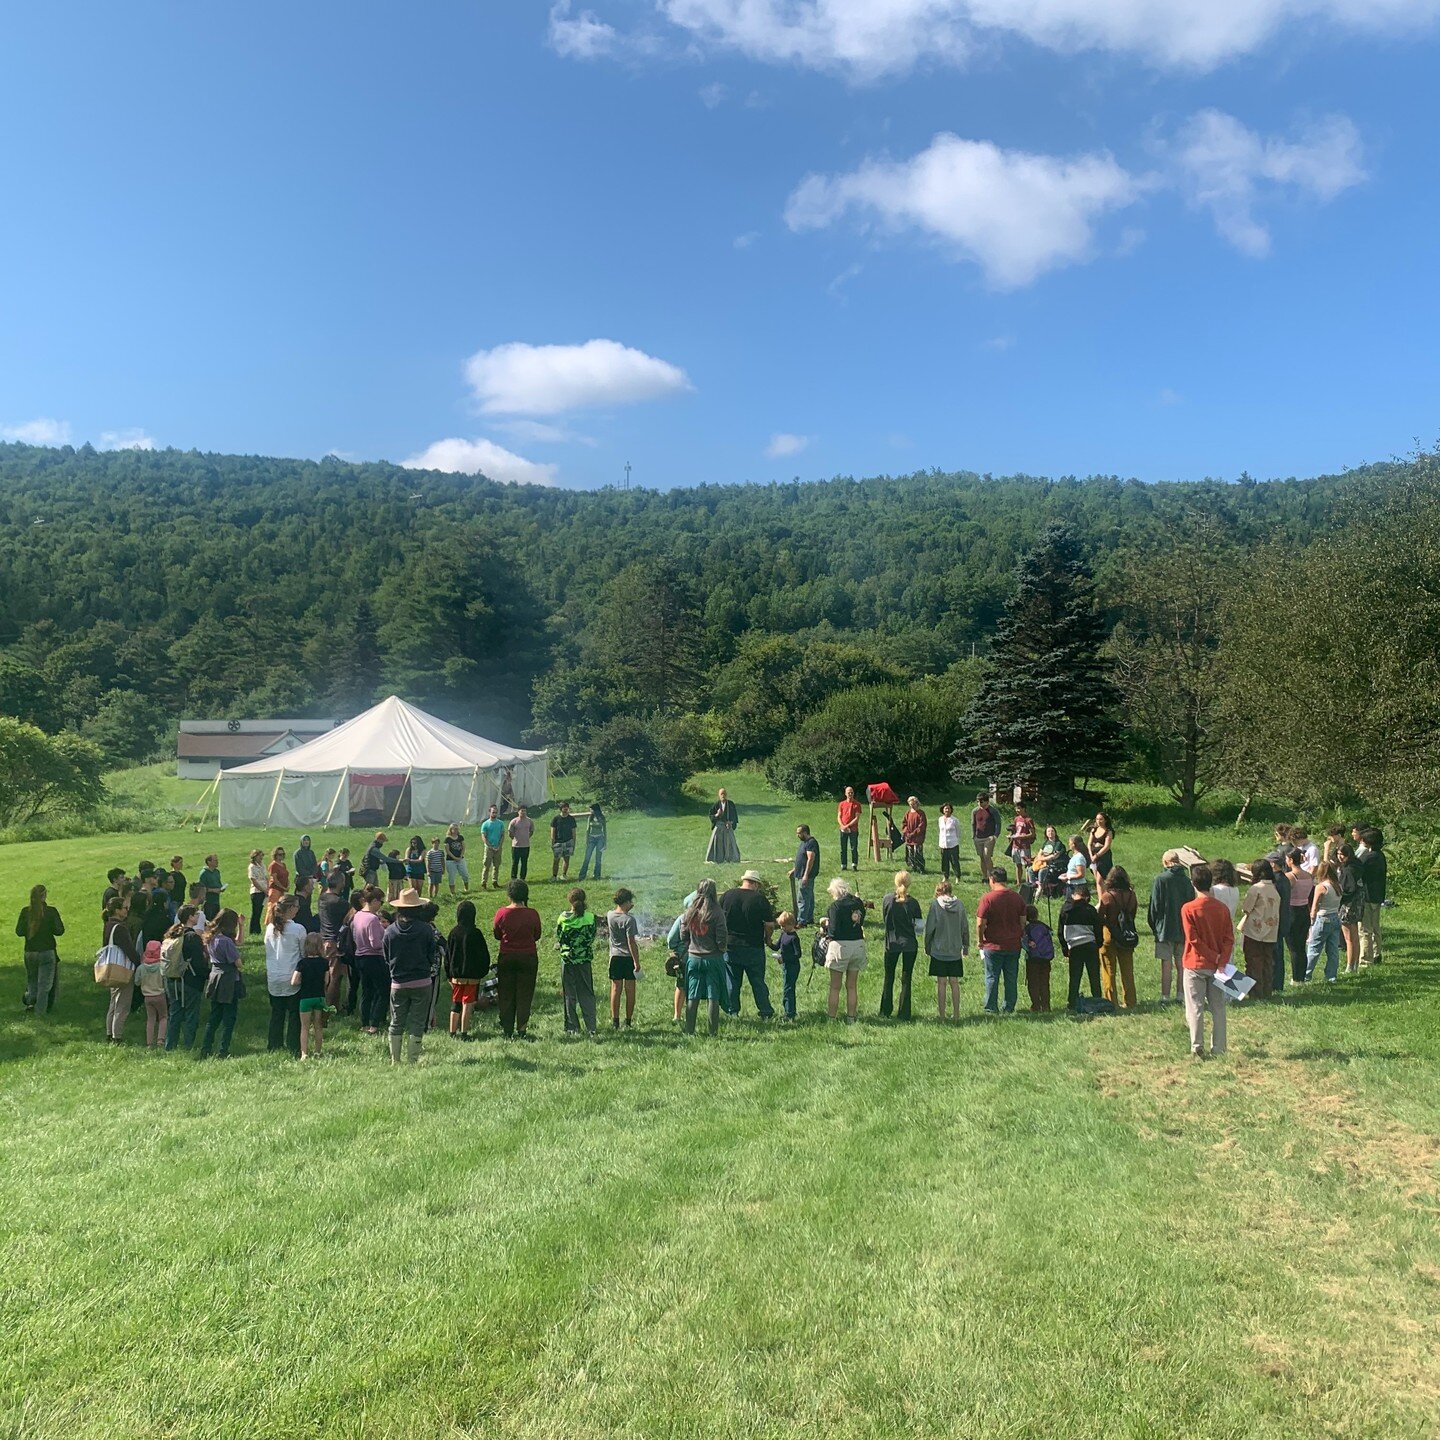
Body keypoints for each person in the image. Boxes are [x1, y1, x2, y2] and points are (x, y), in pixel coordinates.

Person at [383, 888, 442, 1064]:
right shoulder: (425, 929)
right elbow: (431, 954)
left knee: (396, 1021)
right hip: (422, 981)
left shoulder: (390, 931)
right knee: (417, 1022)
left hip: (398, 981)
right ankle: (412, 1059)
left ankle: (395, 1059)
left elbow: (386, 956)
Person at [1181, 864, 1232, 1058]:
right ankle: (1219, 1048)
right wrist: (1221, 959)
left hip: (1195, 963)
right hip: (1218, 966)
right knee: (1218, 1008)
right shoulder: (1222, 908)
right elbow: (1229, 938)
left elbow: (1193, 939)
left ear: (1193, 883)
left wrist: (1213, 956)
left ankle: (1197, 1046)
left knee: (1195, 1007)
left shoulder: (1188, 908)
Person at [716, 870, 775, 1020]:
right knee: (758, 982)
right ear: (755, 884)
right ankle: (765, 1011)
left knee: (732, 982)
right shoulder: (760, 899)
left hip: (731, 946)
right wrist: (768, 939)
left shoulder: (727, 896)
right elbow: (769, 924)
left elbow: (718, 919)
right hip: (753, 946)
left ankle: (732, 1011)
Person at [492, 879, 543, 1040]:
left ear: (509, 895)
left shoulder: (502, 913)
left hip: (507, 956)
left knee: (506, 992)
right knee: (525, 993)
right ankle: (522, 1028)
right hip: (528, 956)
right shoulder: (532, 913)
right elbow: (537, 935)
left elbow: (497, 934)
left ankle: (507, 1028)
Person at [680, 879, 729, 1036]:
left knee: (692, 995)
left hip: (693, 958)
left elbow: (683, 934)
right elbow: (722, 937)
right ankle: (712, 1032)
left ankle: (689, 1030)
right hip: (713, 958)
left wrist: (690, 945)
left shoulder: (690, 911)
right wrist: (721, 949)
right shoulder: (717, 912)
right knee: (712, 996)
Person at [1147, 850, 1195, 1006]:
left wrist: (1154, 926)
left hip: (1165, 928)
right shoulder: (1187, 881)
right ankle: (1181, 995)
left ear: (1166, 862)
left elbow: (1155, 906)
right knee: (1181, 964)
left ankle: (1165, 996)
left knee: (1166, 963)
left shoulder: (1160, 879)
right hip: (1183, 928)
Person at [976, 870, 1026, 1015]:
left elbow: (980, 924)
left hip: (993, 945)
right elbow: (1023, 921)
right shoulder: (1017, 898)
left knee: (992, 977)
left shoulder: (988, 898)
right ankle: (1009, 1007)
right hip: (1013, 944)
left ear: (992, 879)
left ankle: (991, 1008)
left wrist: (980, 941)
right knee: (1011, 978)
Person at [554, 888, 600, 1037]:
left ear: (569, 900)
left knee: (569, 993)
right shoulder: (590, 918)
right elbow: (591, 937)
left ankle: (572, 1027)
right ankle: (591, 1027)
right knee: (586, 992)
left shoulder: (563, 918)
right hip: (584, 959)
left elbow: (560, 938)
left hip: (567, 960)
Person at [200, 909, 244, 1059]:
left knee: (214, 1017)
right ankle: (223, 1050)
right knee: (229, 1017)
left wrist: (242, 927)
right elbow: (238, 963)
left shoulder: (212, 938)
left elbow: (239, 941)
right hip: (228, 979)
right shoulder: (226, 942)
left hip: (215, 977)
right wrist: (240, 961)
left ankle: (205, 1048)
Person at [263, 895, 304, 1056]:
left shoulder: (269, 928)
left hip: (274, 975)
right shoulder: (298, 929)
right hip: (292, 975)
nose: (298, 909)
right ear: (291, 908)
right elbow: (303, 952)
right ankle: (293, 1046)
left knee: (277, 1012)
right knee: (294, 1014)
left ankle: (274, 1044)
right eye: (296, 906)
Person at [163, 905, 208, 1051]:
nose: (198, 916)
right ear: (190, 917)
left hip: (172, 979)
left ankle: (170, 1045)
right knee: (191, 1015)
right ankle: (189, 1046)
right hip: (190, 981)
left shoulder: (173, 932)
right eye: (196, 914)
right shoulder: (192, 937)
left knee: (174, 1014)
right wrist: (207, 975)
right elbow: (199, 962)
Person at [879, 870, 923, 1020]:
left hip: (891, 942)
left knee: (888, 976)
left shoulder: (887, 900)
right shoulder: (913, 903)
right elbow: (919, 928)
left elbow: (884, 919)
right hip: (909, 944)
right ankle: (904, 1012)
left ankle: (885, 1010)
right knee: (906, 978)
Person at [445, 900, 492, 1039]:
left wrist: (449, 973)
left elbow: (448, 955)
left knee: (456, 1003)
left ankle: (452, 1031)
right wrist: (482, 972)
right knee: (467, 1003)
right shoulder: (476, 933)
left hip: (457, 975)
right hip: (472, 976)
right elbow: (484, 955)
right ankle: (464, 1032)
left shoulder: (453, 933)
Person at [923, 879, 968, 1021]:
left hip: (939, 948)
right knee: (954, 982)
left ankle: (941, 1014)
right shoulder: (959, 905)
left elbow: (930, 928)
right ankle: (956, 1013)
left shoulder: (936, 905)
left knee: (941, 982)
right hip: (955, 948)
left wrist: (927, 944)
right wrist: (965, 946)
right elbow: (964, 926)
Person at [1236, 859, 1281, 1001]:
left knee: (1253, 963)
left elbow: (1246, 908)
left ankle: (1255, 993)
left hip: (1254, 931)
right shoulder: (1274, 889)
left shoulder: (1256, 889)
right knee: (1267, 963)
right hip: (1271, 931)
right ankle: (1267, 991)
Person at [17, 883, 64, 1017]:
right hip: (46, 951)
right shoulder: (51, 912)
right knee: (44, 985)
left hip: (30, 952)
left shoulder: (25, 912)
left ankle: (30, 1002)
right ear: (44, 896)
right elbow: (59, 930)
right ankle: (40, 1012)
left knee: (32, 980)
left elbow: (19, 931)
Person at [1097, 867, 1139, 1009]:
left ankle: (1111, 1002)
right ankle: (1130, 1001)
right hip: (1127, 935)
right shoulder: (1131, 895)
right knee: (1127, 970)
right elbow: (1132, 914)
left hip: (1109, 935)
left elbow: (1100, 917)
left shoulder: (1107, 896)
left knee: (1109, 970)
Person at [351, 887, 390, 1035]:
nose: (381, 905)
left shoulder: (358, 915)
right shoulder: (373, 919)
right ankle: (375, 1023)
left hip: (359, 956)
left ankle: (364, 1022)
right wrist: (385, 939)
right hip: (373, 957)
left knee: (366, 991)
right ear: (373, 901)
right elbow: (375, 943)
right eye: (380, 901)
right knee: (383, 990)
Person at [1058, 883, 1103, 1011]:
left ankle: (1072, 1002)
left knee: (1075, 977)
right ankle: (1097, 1000)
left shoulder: (1065, 910)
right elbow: (1098, 929)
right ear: (1086, 897)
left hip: (1075, 947)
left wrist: (1065, 949)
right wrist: (1098, 943)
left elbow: (1060, 932)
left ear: (1074, 895)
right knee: (1094, 976)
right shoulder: (1090, 910)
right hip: (1090, 945)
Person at [101, 894, 138, 1044]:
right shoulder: (120, 928)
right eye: (125, 908)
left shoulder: (108, 925)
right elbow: (129, 949)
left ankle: (109, 1033)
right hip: (121, 968)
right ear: (117, 910)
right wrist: (138, 961)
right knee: (122, 1004)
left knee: (113, 1003)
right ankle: (118, 1036)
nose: (127, 911)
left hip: (111, 968)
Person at [606, 887, 643, 1029]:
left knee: (615, 988)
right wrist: (636, 962)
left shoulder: (610, 915)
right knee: (630, 989)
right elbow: (631, 942)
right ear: (626, 901)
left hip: (614, 956)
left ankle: (615, 1021)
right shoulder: (629, 920)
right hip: (627, 957)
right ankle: (628, 1021)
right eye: (630, 901)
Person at [316, 873, 353, 1009]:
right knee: (334, 977)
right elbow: (352, 915)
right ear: (340, 883)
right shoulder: (339, 902)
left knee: (329, 975)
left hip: (323, 939)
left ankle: (334, 1005)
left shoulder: (322, 898)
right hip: (335, 942)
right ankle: (329, 1008)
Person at [292, 933, 330, 1059]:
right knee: (318, 1026)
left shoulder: (302, 963)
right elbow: (326, 981)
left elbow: (294, 981)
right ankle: (318, 1052)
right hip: (319, 997)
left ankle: (304, 1053)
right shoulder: (324, 962)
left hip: (305, 997)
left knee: (304, 1027)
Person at [1357, 828, 1387, 966]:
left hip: (1367, 896)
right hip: (1378, 895)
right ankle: (1377, 953)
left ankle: (1365, 959)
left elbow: (1357, 870)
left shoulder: (1368, 857)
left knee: (1364, 929)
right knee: (1375, 927)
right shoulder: (1380, 855)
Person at [1284, 850, 1315, 983]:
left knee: (1293, 948)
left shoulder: (1290, 876)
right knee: (1301, 947)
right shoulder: (1308, 875)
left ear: (1290, 860)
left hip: (1293, 912)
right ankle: (1301, 976)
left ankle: (1296, 978)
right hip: (1304, 911)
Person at [1335, 843, 1364, 976]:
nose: (1340, 857)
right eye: (1338, 854)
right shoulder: (1357, 865)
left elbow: (1348, 889)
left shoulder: (1348, 870)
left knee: (1349, 938)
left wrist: (1339, 897)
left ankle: (1349, 965)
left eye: (1343, 854)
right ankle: (1355, 964)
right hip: (1358, 903)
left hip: (1348, 904)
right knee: (1355, 936)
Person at [769, 911, 803, 1023]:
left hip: (792, 966)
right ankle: (787, 1010)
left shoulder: (794, 937)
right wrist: (769, 942)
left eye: (784, 926)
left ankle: (790, 1013)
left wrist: (785, 958)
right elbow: (776, 947)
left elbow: (798, 954)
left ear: (791, 924)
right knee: (786, 987)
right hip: (785, 965)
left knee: (789, 988)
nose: (782, 928)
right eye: (781, 926)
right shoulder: (784, 934)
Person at [1021, 904, 1054, 1012]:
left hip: (1033, 959)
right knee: (1044, 982)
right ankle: (1046, 1006)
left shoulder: (1027, 928)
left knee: (1033, 983)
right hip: (1045, 959)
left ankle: (1036, 1005)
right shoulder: (1045, 927)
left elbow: (1024, 944)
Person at [135, 941, 168, 1047]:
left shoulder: (141, 968)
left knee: (151, 1019)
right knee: (163, 1017)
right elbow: (165, 981)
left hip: (147, 997)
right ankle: (160, 1040)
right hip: (160, 995)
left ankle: (149, 1043)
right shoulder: (161, 967)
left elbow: (137, 982)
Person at [789, 824, 820, 927]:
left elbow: (810, 859)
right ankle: (808, 918)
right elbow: (802, 858)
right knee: (809, 896)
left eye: (799, 833)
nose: (797, 835)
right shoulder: (804, 842)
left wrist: (805, 875)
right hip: (801, 873)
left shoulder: (811, 843)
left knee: (802, 898)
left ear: (805, 832)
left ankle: (801, 921)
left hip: (805, 875)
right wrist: (795, 869)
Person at [706, 788, 740, 865]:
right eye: (721, 794)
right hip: (719, 826)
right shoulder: (716, 804)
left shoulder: (731, 804)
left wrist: (731, 822)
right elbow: (711, 815)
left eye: (724, 794)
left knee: (730, 842)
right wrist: (717, 815)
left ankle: (732, 858)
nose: (723, 795)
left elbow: (734, 815)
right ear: (719, 795)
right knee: (716, 842)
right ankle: (716, 858)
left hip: (728, 826)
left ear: (726, 795)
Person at [971, 792, 1000, 876]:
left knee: (987, 856)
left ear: (987, 802)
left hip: (989, 837)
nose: (979, 804)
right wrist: (973, 836)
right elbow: (973, 823)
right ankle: (985, 877)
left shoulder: (993, 811)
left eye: (981, 802)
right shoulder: (975, 811)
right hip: (978, 837)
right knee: (982, 858)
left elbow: (998, 823)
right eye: (978, 802)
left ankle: (991, 876)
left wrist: (995, 835)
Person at [1008, 803, 1036, 886]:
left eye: (1019, 808)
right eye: (1016, 808)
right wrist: (1011, 836)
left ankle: (1028, 882)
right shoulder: (1016, 819)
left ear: (1024, 809)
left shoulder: (1028, 820)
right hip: (1015, 845)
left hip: (1024, 846)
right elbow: (1014, 830)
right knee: (1018, 864)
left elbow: (1032, 834)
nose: (1017, 810)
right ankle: (1018, 882)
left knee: (1027, 865)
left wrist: (1022, 837)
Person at [578, 803, 607, 882]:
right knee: (587, 857)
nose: (590, 811)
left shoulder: (602, 818)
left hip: (600, 839)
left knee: (598, 858)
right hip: (591, 838)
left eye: (591, 809)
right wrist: (587, 840)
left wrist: (605, 843)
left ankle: (597, 875)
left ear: (595, 810)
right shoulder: (590, 817)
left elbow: (604, 830)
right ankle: (582, 875)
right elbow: (587, 829)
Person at [478, 808, 504, 890]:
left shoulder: (500, 823)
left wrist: (499, 846)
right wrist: (490, 846)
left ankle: (495, 881)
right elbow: (483, 837)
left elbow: (502, 835)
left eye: (496, 813)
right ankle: (484, 882)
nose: (494, 814)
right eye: (493, 812)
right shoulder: (485, 824)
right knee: (486, 866)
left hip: (498, 848)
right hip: (489, 848)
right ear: (489, 812)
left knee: (496, 866)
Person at [837, 786, 861, 871]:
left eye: (852, 792)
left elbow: (857, 818)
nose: (850, 794)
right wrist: (842, 826)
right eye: (848, 792)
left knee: (853, 847)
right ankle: (843, 864)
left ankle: (854, 864)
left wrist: (848, 826)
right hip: (843, 829)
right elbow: (839, 817)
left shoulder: (857, 804)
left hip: (853, 830)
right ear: (845, 794)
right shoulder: (842, 804)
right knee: (843, 848)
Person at [1087, 812, 1116, 882]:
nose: (1098, 821)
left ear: (1105, 820)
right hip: (1093, 856)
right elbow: (1089, 844)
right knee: (1097, 879)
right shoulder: (1094, 830)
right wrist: (1091, 855)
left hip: (1103, 857)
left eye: (1101, 819)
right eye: (1097, 819)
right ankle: (1100, 892)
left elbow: (1106, 846)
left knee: (1103, 878)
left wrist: (1097, 855)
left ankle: (1107, 891)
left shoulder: (1108, 831)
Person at [936, 803, 961, 882]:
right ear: (943, 810)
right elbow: (940, 831)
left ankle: (957, 876)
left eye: (948, 808)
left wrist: (955, 840)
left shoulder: (954, 820)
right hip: (943, 844)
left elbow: (958, 832)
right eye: (945, 808)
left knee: (954, 861)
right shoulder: (940, 819)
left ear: (951, 810)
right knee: (944, 862)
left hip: (953, 844)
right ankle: (945, 876)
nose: (947, 810)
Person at [508, 807, 534, 881]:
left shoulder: (529, 821)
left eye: (525, 811)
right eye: (522, 811)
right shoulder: (514, 821)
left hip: (526, 846)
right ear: (518, 812)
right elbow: (510, 832)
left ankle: (522, 877)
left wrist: (527, 837)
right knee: (515, 862)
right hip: (516, 846)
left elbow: (532, 830)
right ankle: (514, 877)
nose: (523, 813)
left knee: (524, 862)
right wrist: (514, 839)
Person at [444, 823, 470, 893]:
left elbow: (463, 847)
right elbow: (447, 851)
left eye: (457, 829)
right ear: (451, 830)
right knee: (451, 876)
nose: (456, 830)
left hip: (460, 859)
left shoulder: (460, 837)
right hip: (450, 860)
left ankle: (466, 888)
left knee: (465, 874)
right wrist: (454, 858)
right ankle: (452, 892)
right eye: (454, 829)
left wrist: (461, 856)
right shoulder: (447, 839)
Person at [198, 854, 224, 921]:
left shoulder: (217, 872)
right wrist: (213, 890)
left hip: (216, 901)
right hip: (208, 901)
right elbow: (201, 888)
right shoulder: (204, 873)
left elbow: (218, 884)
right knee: (208, 921)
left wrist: (221, 888)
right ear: (209, 862)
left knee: (215, 921)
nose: (217, 862)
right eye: (215, 860)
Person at [246, 849, 267, 937]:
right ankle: (253, 930)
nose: (261, 858)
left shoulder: (262, 865)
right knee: (256, 911)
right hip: (256, 891)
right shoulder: (251, 867)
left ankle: (257, 930)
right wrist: (263, 889)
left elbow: (266, 877)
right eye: (260, 856)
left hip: (264, 889)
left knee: (260, 911)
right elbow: (253, 880)